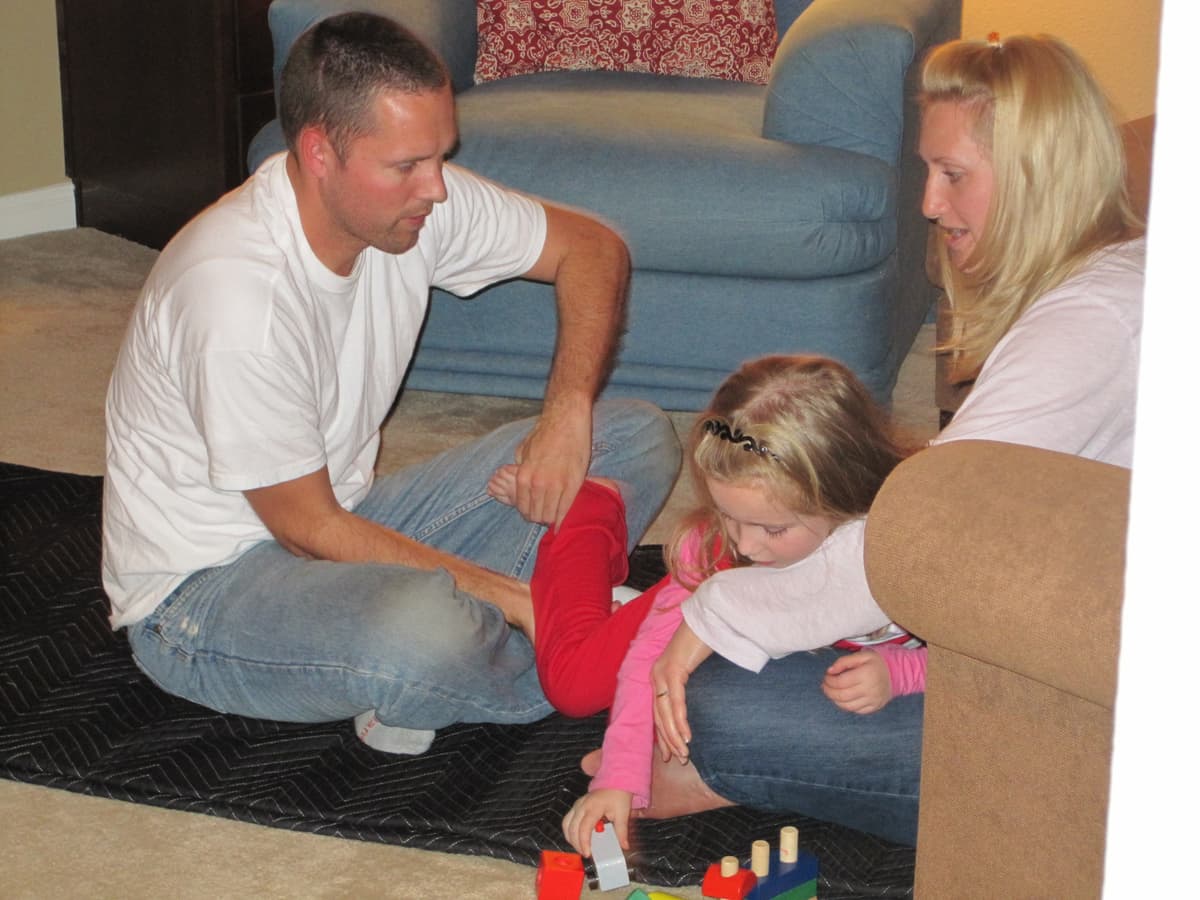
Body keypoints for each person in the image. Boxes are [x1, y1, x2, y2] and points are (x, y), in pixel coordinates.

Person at [100, 12, 679, 755]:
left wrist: (566, 413)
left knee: (633, 437)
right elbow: (306, 527)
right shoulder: (235, 294)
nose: (434, 188)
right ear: (319, 153)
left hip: (349, 514)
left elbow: (593, 248)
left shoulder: (414, 204)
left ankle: (505, 643)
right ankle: (590, 648)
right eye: (406, 165)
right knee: (425, 630)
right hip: (204, 600)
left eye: (440, 156)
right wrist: (515, 599)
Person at [646, 33, 1146, 847]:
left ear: (1035, 177)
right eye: (929, 170)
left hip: (1116, 734)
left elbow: (919, 549)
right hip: (1085, 628)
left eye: (954, 175)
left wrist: (714, 610)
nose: (928, 203)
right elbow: (970, 495)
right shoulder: (1114, 280)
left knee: (728, 709)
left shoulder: (1086, 330)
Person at [491, 355, 926, 856]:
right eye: (727, 514)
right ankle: (585, 517)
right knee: (584, 682)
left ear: (846, 496)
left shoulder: (900, 550)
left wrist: (903, 671)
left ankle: (715, 777)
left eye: (773, 529)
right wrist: (620, 777)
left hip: (884, 679)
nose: (747, 546)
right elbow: (649, 663)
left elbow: (987, 658)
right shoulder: (718, 547)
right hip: (776, 673)